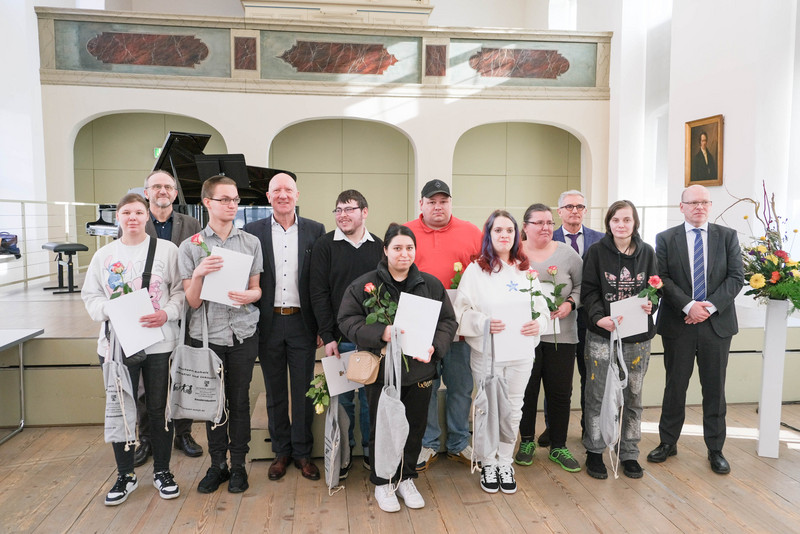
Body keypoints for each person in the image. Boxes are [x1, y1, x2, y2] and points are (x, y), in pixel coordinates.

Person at [338, 223, 457, 512]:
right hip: (382, 371)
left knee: (414, 427)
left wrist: (435, 348)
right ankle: (383, 482)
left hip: (419, 371)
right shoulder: (364, 285)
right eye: (397, 248)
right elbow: (346, 321)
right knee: (383, 427)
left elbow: (447, 322)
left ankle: (406, 478)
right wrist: (381, 332)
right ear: (386, 251)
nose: (404, 254)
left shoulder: (430, 285)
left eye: (409, 248)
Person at [82, 193, 184, 505]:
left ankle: (163, 471)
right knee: (121, 409)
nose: (132, 217)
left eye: (139, 212)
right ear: (118, 217)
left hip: (159, 342)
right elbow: (91, 297)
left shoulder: (167, 250)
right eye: (126, 212)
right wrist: (112, 310)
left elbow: (180, 291)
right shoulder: (104, 255)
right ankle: (125, 475)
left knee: (158, 408)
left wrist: (166, 312)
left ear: (147, 216)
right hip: (116, 344)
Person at [647, 184, 744, 475]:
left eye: (704, 202)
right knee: (675, 386)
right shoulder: (665, 238)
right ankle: (668, 442)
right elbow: (661, 277)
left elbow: (736, 278)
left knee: (714, 388)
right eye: (693, 203)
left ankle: (715, 449)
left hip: (717, 325)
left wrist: (708, 307)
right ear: (682, 207)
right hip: (679, 324)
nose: (699, 207)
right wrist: (689, 306)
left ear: (709, 206)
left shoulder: (727, 237)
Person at [453, 210, 549, 494]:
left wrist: (539, 324)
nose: (504, 235)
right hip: (488, 352)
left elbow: (542, 310)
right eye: (498, 230)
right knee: (487, 407)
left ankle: (505, 460)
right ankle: (487, 462)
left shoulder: (525, 271)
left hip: (520, 352)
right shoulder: (476, 271)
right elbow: (461, 311)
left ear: (516, 235)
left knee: (513, 407)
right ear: (489, 235)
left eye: (509, 230)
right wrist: (482, 322)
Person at [178, 175, 263, 494]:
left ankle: (239, 465)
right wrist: (199, 273)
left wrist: (251, 296)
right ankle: (218, 466)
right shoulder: (191, 247)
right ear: (207, 202)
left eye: (236, 199)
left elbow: (256, 290)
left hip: (242, 333)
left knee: (239, 401)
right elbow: (192, 300)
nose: (232, 205)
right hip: (206, 336)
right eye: (225, 199)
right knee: (213, 402)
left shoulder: (250, 242)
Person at [243, 173, 325, 481]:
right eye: (276, 190)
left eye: (288, 190)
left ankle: (303, 452)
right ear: (268, 196)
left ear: (297, 195)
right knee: (275, 391)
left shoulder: (316, 231)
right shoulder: (252, 232)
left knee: (304, 390)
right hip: (268, 322)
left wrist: (321, 325)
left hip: (303, 322)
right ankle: (281, 451)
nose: (282, 195)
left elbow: (319, 282)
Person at [405, 179, 482, 471]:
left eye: (443, 201)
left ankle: (460, 443)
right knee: (424, 385)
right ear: (421, 204)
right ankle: (428, 443)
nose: (438, 207)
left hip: (459, 327)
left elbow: (482, 275)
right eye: (432, 202)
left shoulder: (471, 232)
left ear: (451, 203)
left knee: (461, 387)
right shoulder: (406, 231)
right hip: (420, 325)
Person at [580, 200, 658, 480]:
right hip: (602, 334)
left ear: (635, 223)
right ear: (608, 223)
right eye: (616, 220)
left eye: (627, 220)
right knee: (597, 394)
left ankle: (629, 452)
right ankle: (595, 450)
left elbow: (655, 289)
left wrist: (652, 305)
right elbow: (588, 292)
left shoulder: (648, 252)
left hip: (637, 338)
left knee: (633, 395)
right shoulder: (596, 252)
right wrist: (599, 317)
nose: (621, 225)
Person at [310, 189, 383, 472]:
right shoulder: (324, 245)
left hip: (371, 340)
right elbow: (318, 292)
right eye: (338, 209)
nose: (343, 215)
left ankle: (369, 451)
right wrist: (327, 336)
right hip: (338, 340)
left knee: (369, 400)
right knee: (343, 401)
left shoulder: (379, 247)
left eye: (349, 209)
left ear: (364, 212)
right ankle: (341, 452)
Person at [133, 170, 203, 468]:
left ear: (175, 194)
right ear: (146, 192)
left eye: (168, 187)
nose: (162, 191)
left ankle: (183, 434)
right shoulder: (136, 221)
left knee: (182, 373)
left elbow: (199, 261)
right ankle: (147, 437)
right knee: (145, 384)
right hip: (146, 315)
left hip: (183, 311)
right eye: (156, 186)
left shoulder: (191, 224)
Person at [516, 203, 583, 472]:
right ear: (525, 227)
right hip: (525, 336)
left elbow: (581, 287)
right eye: (538, 223)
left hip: (562, 335)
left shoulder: (568, 254)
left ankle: (558, 445)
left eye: (549, 222)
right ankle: (527, 441)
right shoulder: (514, 254)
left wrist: (570, 304)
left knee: (559, 392)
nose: (545, 227)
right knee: (527, 391)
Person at [551, 190, 604, 443]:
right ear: (559, 211)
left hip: (591, 319)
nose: (575, 211)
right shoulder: (547, 238)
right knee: (555, 378)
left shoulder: (601, 239)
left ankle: (588, 428)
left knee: (589, 376)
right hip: (557, 319)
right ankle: (553, 429)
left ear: (585, 210)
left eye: (580, 206)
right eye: (569, 206)